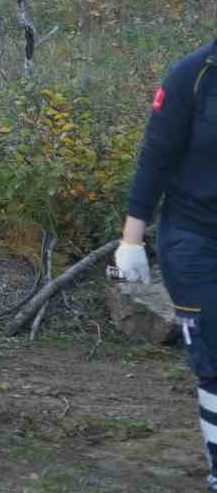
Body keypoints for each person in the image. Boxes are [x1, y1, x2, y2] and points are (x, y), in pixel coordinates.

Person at [116, 40, 217, 491]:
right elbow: (155, 159)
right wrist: (131, 240)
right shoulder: (192, 77)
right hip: (196, 240)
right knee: (214, 356)